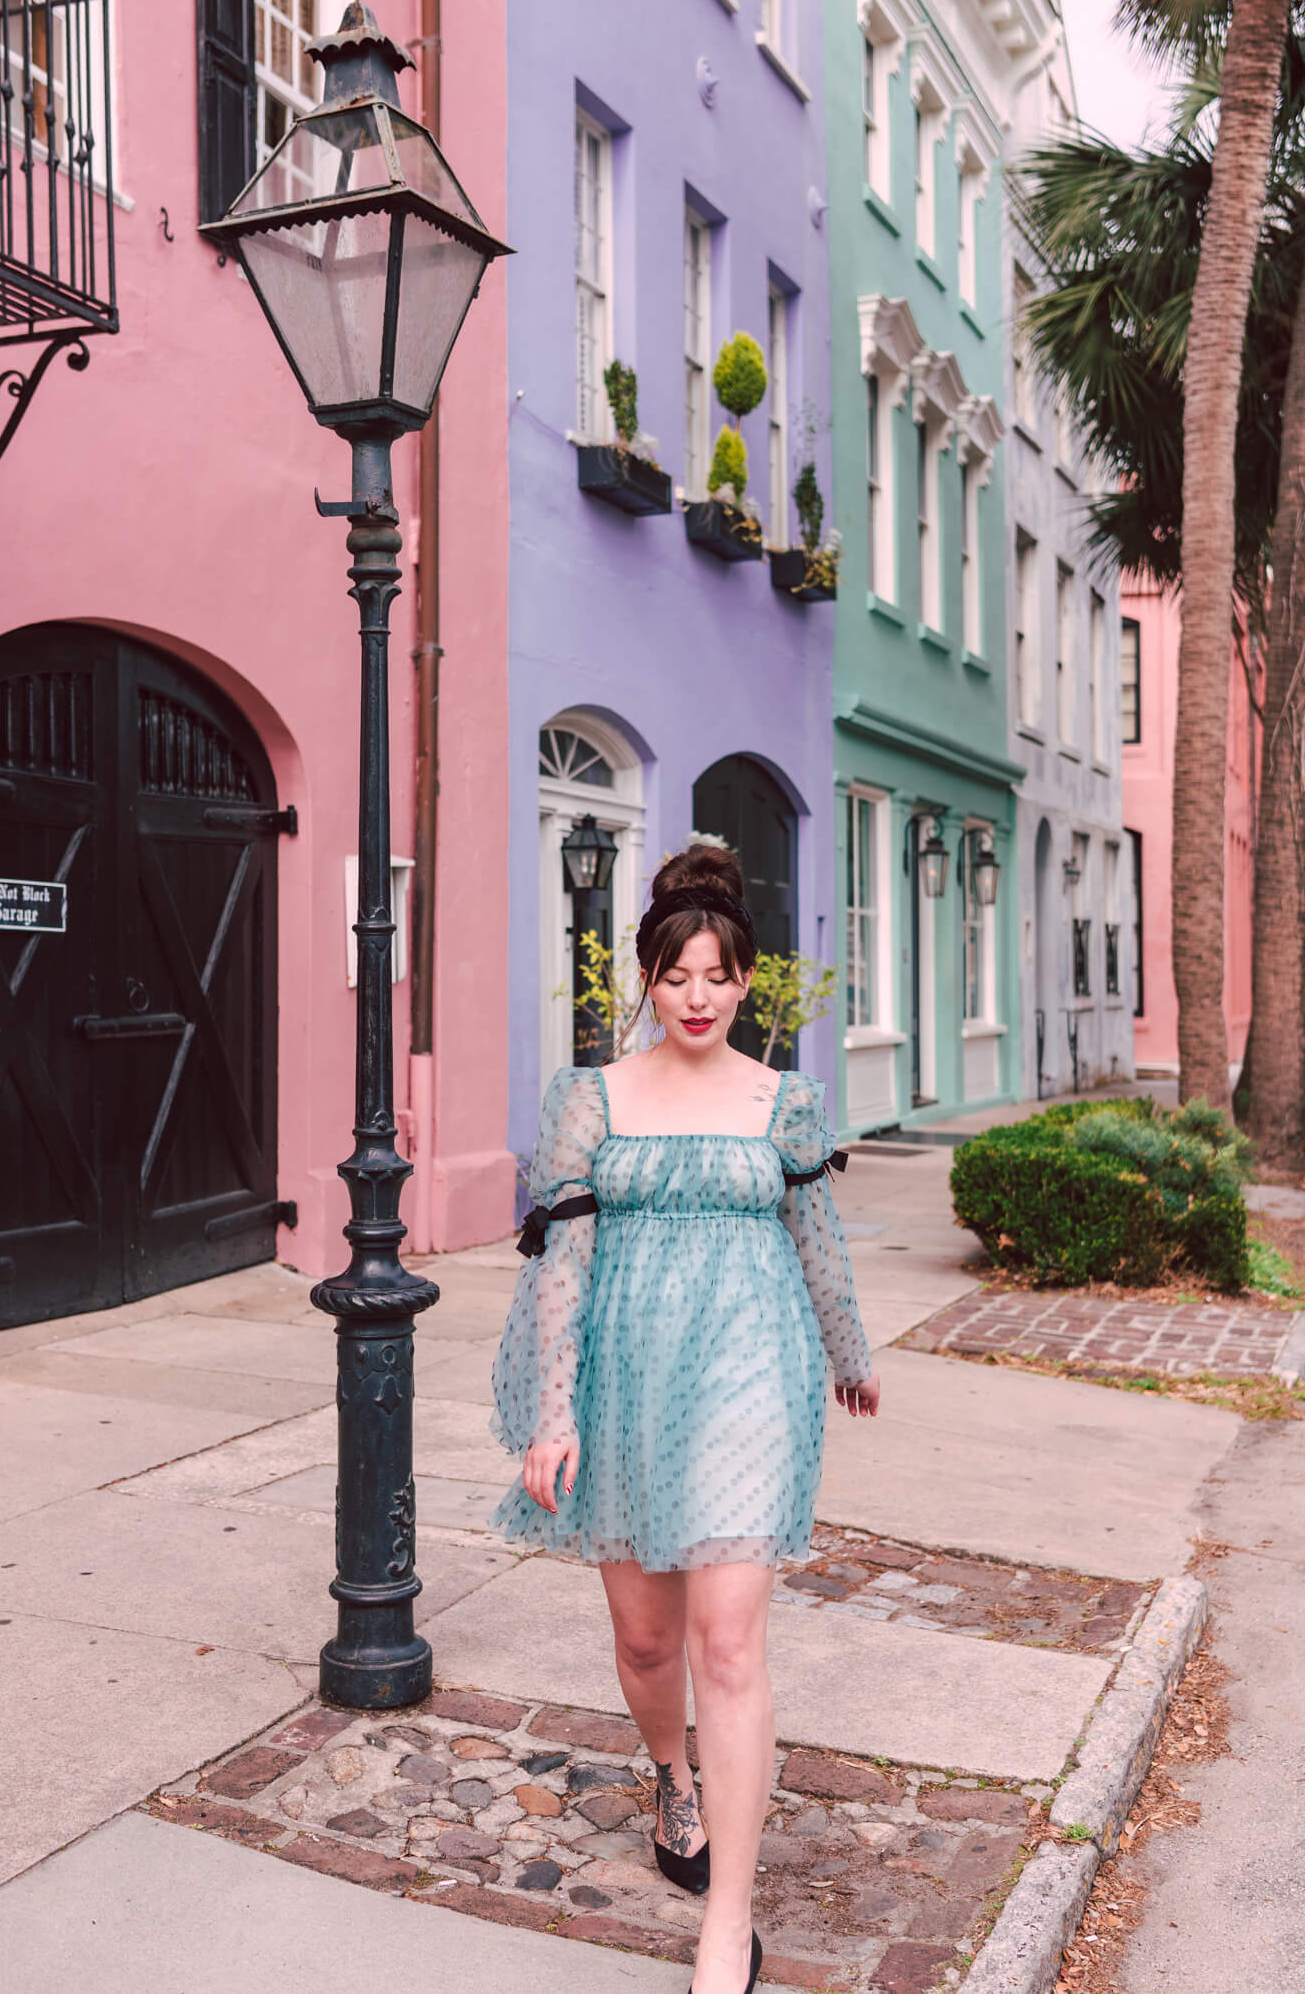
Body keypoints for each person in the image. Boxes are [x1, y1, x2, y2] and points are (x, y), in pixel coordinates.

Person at [490, 841, 879, 1994]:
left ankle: (728, 1922)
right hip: (624, 1370)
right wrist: (552, 1415)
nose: (698, 997)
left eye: (718, 976)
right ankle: (673, 1773)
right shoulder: (589, 1099)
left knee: (725, 1640)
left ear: (745, 981)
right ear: (648, 987)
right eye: (677, 978)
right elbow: (560, 1262)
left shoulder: (785, 1102)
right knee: (649, 1641)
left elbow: (816, 1241)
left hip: (751, 1371)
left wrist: (847, 1353)